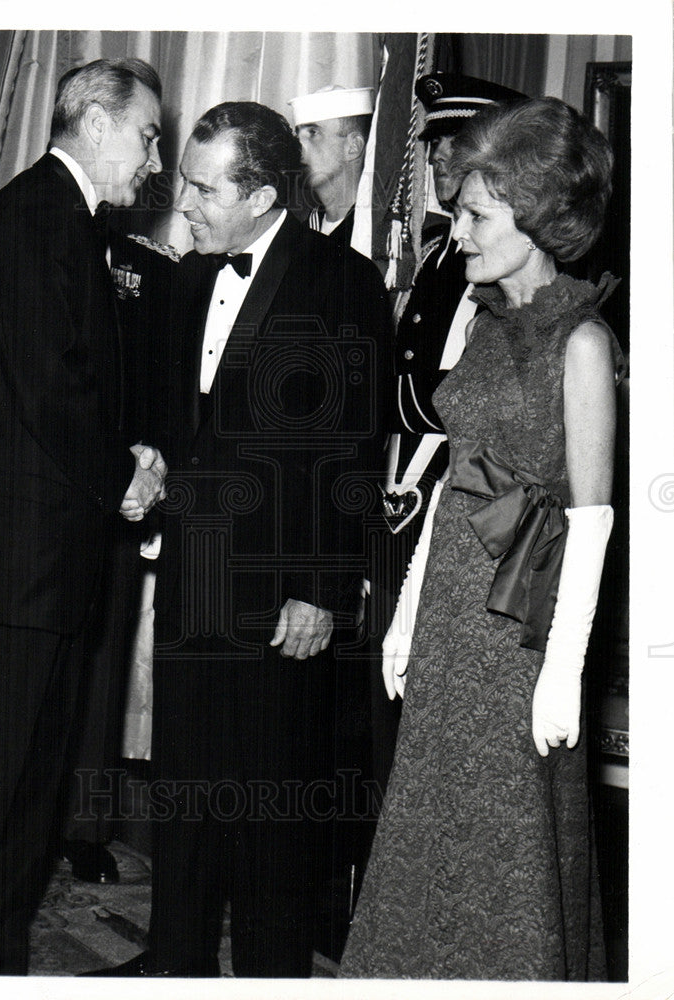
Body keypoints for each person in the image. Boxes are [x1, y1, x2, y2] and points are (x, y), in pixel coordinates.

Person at [88, 100, 391, 979]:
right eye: (184, 177)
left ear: (261, 195)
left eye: (201, 185)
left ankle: (268, 976)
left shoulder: (343, 283)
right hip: (192, 581)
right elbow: (178, 427)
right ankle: (175, 961)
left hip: (280, 599)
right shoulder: (188, 281)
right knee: (185, 798)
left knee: (271, 816)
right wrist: (146, 466)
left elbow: (352, 455)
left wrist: (324, 591)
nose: (183, 200)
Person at [340, 95, 625, 980]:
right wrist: (406, 615)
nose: (455, 229)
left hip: (518, 635)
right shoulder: (487, 320)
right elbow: (455, 479)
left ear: (536, 221)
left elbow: (589, 520)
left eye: (475, 214)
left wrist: (562, 671)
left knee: (504, 855)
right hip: (449, 623)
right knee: (427, 834)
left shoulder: (578, 343)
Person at [0, 57, 167, 975]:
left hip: (42, 566)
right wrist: (122, 473)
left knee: (32, 786)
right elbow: (52, 388)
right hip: (18, 570)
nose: (154, 161)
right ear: (96, 122)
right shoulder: (38, 218)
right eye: (149, 134)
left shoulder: (62, 219)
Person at [374, 73, 524, 790]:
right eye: (432, 143)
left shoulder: (498, 273)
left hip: (460, 481)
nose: (437, 158)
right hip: (409, 478)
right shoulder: (438, 254)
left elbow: (463, 399)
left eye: (453, 145)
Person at [59, 228, 180, 884]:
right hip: (44, 498)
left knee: (102, 670)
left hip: (120, 505)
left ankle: (85, 828)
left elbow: (166, 383)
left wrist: (154, 471)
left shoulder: (149, 268)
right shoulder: (43, 242)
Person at [289, 84, 374, 249]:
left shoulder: (377, 234)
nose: (297, 145)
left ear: (353, 147)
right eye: (297, 133)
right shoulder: (299, 234)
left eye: (313, 133)